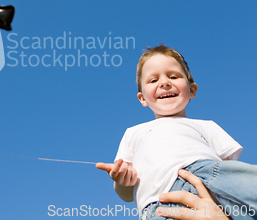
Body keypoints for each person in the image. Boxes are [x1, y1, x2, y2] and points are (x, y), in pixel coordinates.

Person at [96, 45, 257, 220]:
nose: (164, 83)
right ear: (142, 98)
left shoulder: (206, 126)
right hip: (160, 203)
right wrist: (122, 181)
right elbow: (126, 194)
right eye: (153, 80)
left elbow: (230, 172)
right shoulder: (134, 132)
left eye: (173, 76)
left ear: (192, 90)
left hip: (208, 177)